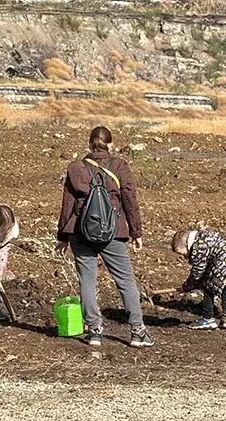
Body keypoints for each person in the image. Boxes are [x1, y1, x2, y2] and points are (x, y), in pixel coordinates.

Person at [56, 126, 154, 348]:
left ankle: (94, 331)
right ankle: (138, 331)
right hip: (114, 231)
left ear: (89, 144)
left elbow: (67, 204)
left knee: (87, 280)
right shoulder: (120, 166)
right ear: (110, 145)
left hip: (80, 232)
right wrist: (136, 231)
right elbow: (130, 200)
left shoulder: (76, 167)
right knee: (126, 281)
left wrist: (63, 235)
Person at [172, 229, 226, 330]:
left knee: (208, 284)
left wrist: (187, 286)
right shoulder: (202, 236)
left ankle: (207, 319)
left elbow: (198, 272)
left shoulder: (198, 246)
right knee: (225, 285)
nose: (184, 257)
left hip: (225, 261)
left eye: (182, 253)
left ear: (185, 244)